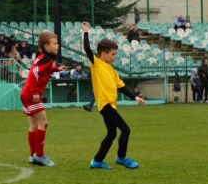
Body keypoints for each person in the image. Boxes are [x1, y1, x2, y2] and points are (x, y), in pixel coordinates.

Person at [82, 21, 145, 169]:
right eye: (113, 54)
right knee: (125, 130)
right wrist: (85, 31)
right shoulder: (96, 64)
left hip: (111, 106)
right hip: (106, 105)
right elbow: (87, 48)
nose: (115, 56)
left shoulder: (111, 70)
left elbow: (121, 86)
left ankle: (97, 161)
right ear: (103, 55)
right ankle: (121, 158)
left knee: (111, 134)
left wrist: (135, 97)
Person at [20, 31, 68, 166]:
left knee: (34, 125)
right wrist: (35, 92)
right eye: (55, 44)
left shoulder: (45, 57)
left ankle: (33, 156)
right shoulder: (46, 58)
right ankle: (40, 155)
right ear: (46, 46)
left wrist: (57, 69)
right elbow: (34, 71)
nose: (57, 46)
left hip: (25, 93)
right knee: (43, 123)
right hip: (31, 94)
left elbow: (43, 69)